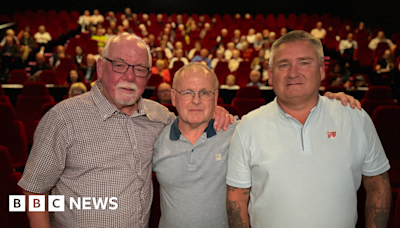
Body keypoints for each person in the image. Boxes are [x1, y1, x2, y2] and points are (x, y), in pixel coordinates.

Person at [18, 33, 233, 228]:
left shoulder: (159, 117)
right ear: (100, 68)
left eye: (139, 69)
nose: (130, 77)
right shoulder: (63, 118)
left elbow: (191, 120)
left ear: (148, 76)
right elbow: (33, 190)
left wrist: (215, 110)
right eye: (120, 65)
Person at [226, 31, 390, 228]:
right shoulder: (248, 126)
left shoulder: (355, 118)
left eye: (304, 62)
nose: (293, 72)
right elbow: (237, 199)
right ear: (270, 75)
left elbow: (378, 184)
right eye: (284, 65)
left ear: (321, 70)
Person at [152, 62, 240, 228]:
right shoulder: (155, 139)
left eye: (205, 93)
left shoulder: (237, 133)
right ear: (173, 97)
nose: (196, 100)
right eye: (187, 92)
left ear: (215, 97)